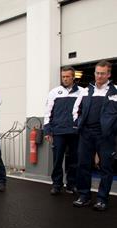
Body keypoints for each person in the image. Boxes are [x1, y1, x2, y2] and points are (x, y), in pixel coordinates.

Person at [72, 60, 117, 211]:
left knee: (106, 167)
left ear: (109, 74)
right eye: (97, 73)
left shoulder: (115, 91)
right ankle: (84, 196)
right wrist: (78, 123)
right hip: (86, 134)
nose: (99, 76)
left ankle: (102, 199)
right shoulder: (85, 91)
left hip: (105, 136)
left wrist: (113, 129)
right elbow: (75, 110)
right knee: (83, 165)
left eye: (102, 73)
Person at [43, 66, 83, 195]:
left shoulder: (82, 92)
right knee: (57, 160)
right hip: (58, 132)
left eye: (67, 76)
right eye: (63, 76)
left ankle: (71, 184)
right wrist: (47, 131)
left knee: (74, 160)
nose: (65, 79)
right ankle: (56, 184)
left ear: (73, 77)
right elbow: (48, 112)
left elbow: (83, 112)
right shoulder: (54, 92)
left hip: (74, 132)